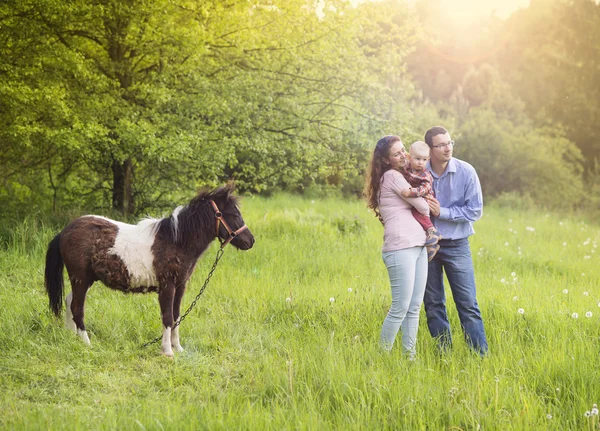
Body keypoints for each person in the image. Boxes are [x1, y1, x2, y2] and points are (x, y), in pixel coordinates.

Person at [422, 126, 488, 355]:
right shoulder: (420, 171)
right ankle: (444, 356)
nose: (447, 148)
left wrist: (444, 212)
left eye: (450, 142)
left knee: (468, 304)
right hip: (426, 246)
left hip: (457, 245)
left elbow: (475, 211)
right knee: (432, 304)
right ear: (430, 149)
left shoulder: (466, 172)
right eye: (441, 144)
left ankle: (479, 357)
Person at [365, 135, 430, 358]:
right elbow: (423, 206)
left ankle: (409, 357)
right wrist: (428, 202)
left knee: (413, 308)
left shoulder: (402, 175)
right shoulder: (392, 176)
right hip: (400, 248)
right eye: (397, 153)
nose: (403, 155)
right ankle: (381, 357)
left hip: (418, 245)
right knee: (400, 308)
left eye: (404, 150)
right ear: (386, 160)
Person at [400, 141, 442, 261]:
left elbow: (425, 188)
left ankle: (432, 231)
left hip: (424, 197)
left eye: (424, 160)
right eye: (417, 158)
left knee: (417, 213)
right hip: (414, 197)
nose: (420, 162)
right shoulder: (406, 168)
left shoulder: (425, 174)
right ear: (409, 157)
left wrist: (411, 192)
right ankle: (431, 245)